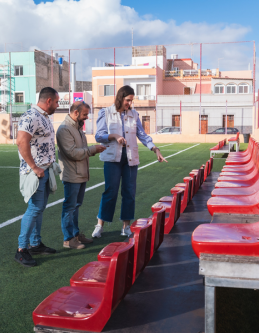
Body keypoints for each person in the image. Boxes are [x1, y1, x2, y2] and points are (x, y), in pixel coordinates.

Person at [92, 85, 167, 238]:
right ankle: (99, 226)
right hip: (112, 159)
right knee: (110, 192)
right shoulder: (105, 113)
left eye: (131, 101)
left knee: (129, 193)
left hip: (131, 159)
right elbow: (99, 135)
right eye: (128, 100)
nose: (129, 104)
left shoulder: (134, 114)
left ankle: (125, 227)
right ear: (120, 97)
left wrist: (155, 149)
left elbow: (142, 134)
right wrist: (114, 136)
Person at [15, 87, 60, 267]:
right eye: (56, 102)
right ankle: (21, 249)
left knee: (39, 208)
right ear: (48, 100)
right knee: (34, 209)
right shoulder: (30, 116)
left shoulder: (44, 117)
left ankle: (35, 244)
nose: (57, 105)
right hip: (35, 172)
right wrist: (34, 167)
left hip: (45, 170)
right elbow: (21, 141)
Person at [56, 101, 106, 249]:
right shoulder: (64, 129)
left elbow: (80, 151)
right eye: (84, 114)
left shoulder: (77, 128)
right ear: (76, 113)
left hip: (81, 174)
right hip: (72, 175)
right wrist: (93, 150)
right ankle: (68, 239)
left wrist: (93, 150)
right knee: (69, 207)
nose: (86, 118)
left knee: (75, 206)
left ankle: (76, 234)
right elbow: (72, 153)